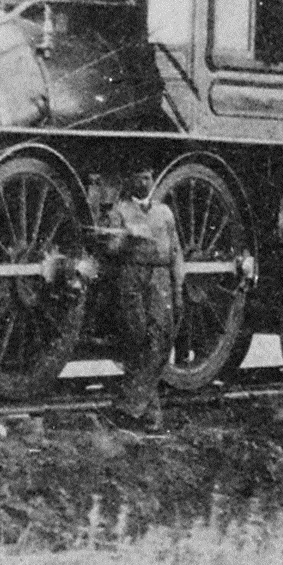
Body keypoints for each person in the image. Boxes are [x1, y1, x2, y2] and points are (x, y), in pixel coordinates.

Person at [98, 167, 184, 428]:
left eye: (147, 177)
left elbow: (176, 249)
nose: (144, 182)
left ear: (153, 180)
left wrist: (178, 286)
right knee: (137, 337)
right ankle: (148, 412)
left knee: (159, 339)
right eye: (138, 177)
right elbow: (110, 248)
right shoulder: (120, 211)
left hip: (160, 276)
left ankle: (132, 407)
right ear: (130, 181)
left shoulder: (164, 212)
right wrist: (126, 235)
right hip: (132, 275)